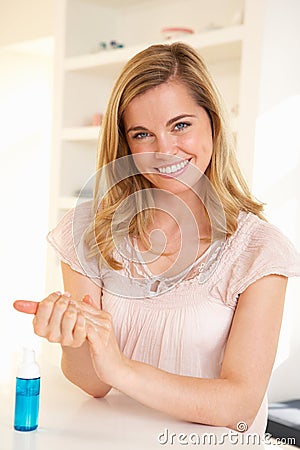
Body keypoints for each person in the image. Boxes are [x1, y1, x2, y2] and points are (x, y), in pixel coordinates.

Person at [14, 42, 300, 436]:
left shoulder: (258, 251)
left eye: (181, 125)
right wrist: (72, 336)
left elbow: (239, 405)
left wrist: (121, 368)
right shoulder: (90, 231)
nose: (164, 151)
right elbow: (94, 384)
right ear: (125, 143)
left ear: (213, 124)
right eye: (142, 134)